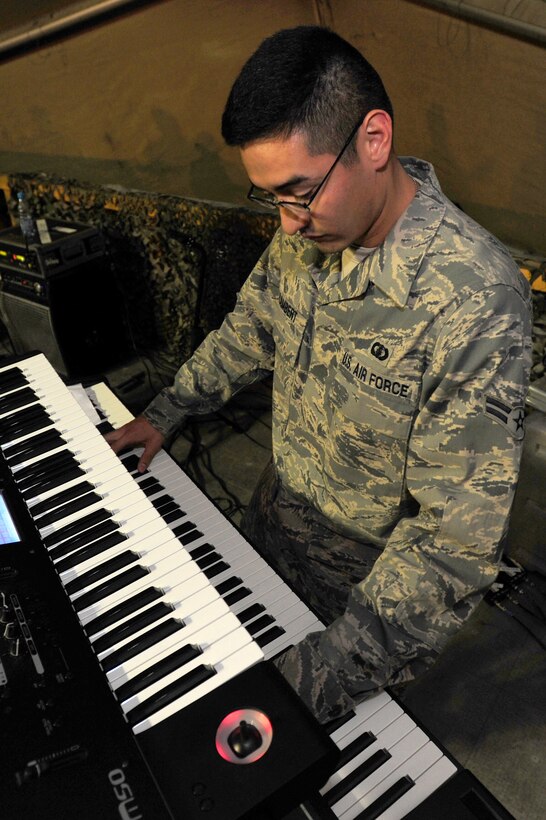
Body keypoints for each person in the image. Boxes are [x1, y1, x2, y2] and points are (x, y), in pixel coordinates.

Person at [106, 26, 532, 724]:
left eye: (299, 192)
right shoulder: (308, 229)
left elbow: (450, 546)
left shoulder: (473, 300)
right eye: (270, 196)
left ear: (373, 139)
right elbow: (251, 328)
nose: (288, 222)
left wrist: (312, 679)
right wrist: (168, 412)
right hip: (272, 516)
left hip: (365, 602)